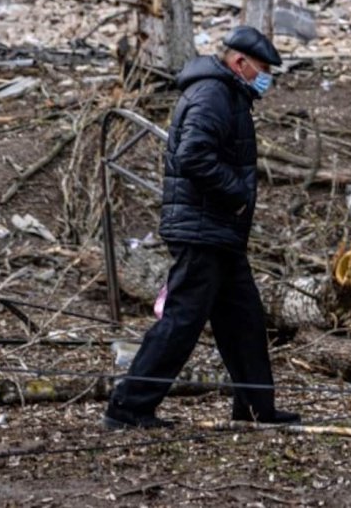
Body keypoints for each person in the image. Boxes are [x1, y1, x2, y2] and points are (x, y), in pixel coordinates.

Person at [104, 26, 301, 429]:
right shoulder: (213, 94)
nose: (266, 78)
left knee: (244, 321)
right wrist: (238, 194)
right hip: (202, 228)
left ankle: (254, 409)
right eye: (262, 69)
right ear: (239, 63)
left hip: (219, 231)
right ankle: (128, 407)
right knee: (181, 321)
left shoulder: (228, 94)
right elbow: (192, 154)